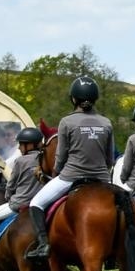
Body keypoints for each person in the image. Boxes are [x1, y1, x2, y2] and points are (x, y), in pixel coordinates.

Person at [26, 77, 117, 261]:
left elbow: (60, 157)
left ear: (73, 99)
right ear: (95, 98)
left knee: (35, 204)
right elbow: (110, 158)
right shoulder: (106, 123)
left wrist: (56, 172)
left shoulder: (66, 122)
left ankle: (43, 245)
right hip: (101, 178)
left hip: (71, 177)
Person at [0, 126, 46, 256]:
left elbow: (11, 185)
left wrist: (8, 197)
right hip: (42, 203)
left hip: (19, 203)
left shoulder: (20, 161)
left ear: (29, 145)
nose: (19, 148)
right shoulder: (45, 159)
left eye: (21, 144)